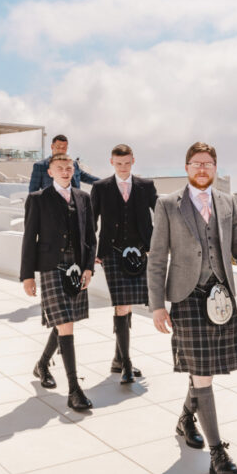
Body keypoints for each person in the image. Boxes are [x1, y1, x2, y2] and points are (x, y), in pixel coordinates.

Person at [148, 142, 237, 474]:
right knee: (202, 374)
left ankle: (187, 419)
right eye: (197, 163)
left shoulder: (227, 203)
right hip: (187, 298)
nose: (203, 169)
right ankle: (218, 455)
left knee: (205, 371)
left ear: (215, 168)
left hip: (222, 300)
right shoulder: (168, 204)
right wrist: (157, 305)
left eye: (209, 164)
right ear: (187, 167)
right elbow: (157, 259)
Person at [20, 153, 97, 410]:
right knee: (65, 323)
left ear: (74, 171)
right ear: (50, 172)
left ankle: (42, 364)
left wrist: (88, 268)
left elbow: (90, 237)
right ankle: (74, 389)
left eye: (69, 168)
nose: (65, 171)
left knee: (65, 320)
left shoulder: (84, 198)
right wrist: (28, 275)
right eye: (59, 168)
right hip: (51, 267)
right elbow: (29, 238)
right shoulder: (38, 199)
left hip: (77, 267)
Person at [90, 144, 158, 383]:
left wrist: (157, 245)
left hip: (139, 253)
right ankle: (127, 364)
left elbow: (161, 214)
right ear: (111, 162)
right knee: (122, 305)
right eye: (119, 163)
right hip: (111, 253)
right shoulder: (100, 188)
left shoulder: (146, 186)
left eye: (127, 163)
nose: (123, 167)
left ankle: (118, 360)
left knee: (128, 304)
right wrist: (92, 253)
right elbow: (91, 222)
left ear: (133, 161)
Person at [29, 134, 100, 192]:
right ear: (52, 146)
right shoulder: (41, 166)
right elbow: (33, 192)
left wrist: (107, 183)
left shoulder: (74, 164)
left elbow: (87, 178)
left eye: (64, 148)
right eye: (58, 147)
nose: (61, 150)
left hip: (74, 206)